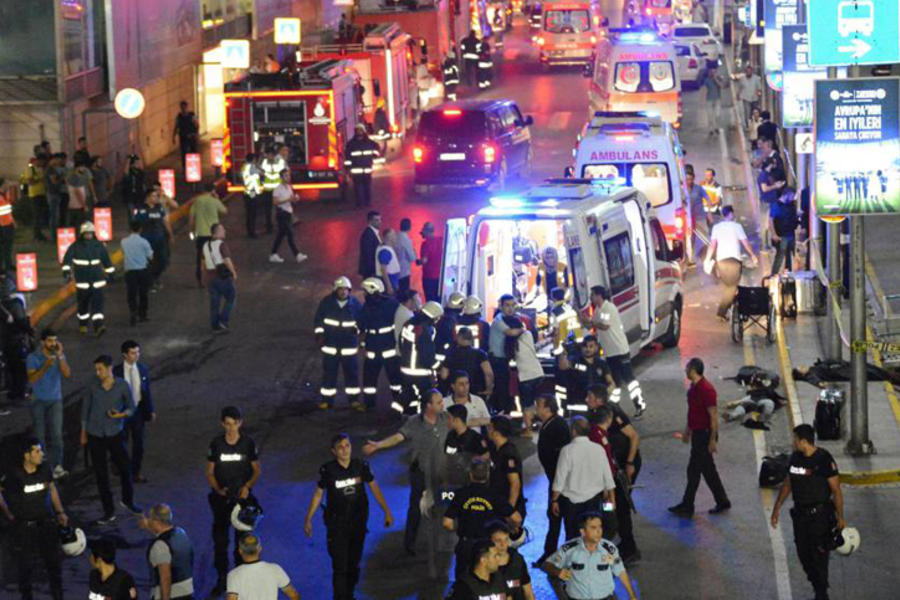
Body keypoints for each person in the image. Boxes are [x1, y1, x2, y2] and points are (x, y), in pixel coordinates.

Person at [364, 390, 448, 573]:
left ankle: (440, 543)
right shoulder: (414, 423)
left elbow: (465, 423)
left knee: (441, 507)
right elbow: (397, 437)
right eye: (439, 402)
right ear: (428, 406)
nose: (443, 404)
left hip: (439, 474)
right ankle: (409, 544)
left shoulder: (445, 419)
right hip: (420, 472)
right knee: (416, 509)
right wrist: (378, 445)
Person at [305, 433, 393, 600]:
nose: (345, 450)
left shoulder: (360, 466)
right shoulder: (328, 470)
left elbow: (374, 488)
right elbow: (318, 494)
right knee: (340, 566)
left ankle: (349, 595)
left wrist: (387, 511)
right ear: (334, 451)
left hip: (358, 524)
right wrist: (308, 518)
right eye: (340, 447)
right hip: (337, 525)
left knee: (353, 565)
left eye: (347, 446)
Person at [771, 424, 844, 600]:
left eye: (795, 439)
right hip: (800, 516)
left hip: (819, 517)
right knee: (803, 555)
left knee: (819, 555)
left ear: (803, 441)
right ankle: (818, 585)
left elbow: (836, 490)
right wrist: (777, 508)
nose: (793, 442)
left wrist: (840, 517)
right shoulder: (795, 458)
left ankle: (821, 593)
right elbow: (788, 483)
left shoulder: (824, 459)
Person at [0, 436, 68, 600]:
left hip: (46, 525)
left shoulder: (45, 469)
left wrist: (60, 512)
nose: (41, 454)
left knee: (54, 566)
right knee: (26, 568)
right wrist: (8, 513)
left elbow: (52, 489)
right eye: (37, 451)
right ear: (27, 455)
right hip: (25, 528)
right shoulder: (15, 475)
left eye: (41, 450)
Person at [206, 406, 262, 596]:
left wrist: (247, 487)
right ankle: (222, 579)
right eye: (227, 424)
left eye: (234, 424)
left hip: (242, 501)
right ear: (223, 424)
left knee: (243, 543)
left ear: (240, 423)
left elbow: (256, 470)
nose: (231, 428)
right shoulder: (216, 444)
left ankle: (240, 580)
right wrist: (218, 489)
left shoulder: (248, 444)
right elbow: (210, 472)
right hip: (222, 500)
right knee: (220, 542)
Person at [81, 354, 142, 523]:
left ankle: (127, 500)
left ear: (109, 368)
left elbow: (131, 407)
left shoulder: (122, 386)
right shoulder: (92, 385)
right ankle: (109, 511)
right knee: (101, 474)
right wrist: (83, 432)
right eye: (96, 369)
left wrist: (121, 415)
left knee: (125, 468)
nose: (97, 372)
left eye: (100, 369)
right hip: (96, 435)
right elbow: (85, 408)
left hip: (115, 433)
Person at [669, 357, 731, 517]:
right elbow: (693, 413)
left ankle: (692, 504)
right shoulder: (693, 388)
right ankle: (700, 502)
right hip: (697, 435)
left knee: (700, 471)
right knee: (699, 471)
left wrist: (712, 439)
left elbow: (713, 416)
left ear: (694, 370)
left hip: (704, 436)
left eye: (688, 367)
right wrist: (687, 431)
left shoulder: (706, 390)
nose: (685, 370)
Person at [443, 460, 517, 580]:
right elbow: (516, 518)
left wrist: (460, 528)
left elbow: (447, 523)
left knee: (463, 583)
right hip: (488, 548)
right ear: (487, 475)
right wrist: (510, 529)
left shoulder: (461, 494)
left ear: (471, 474)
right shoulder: (494, 495)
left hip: (465, 545)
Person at [543, 512, 639, 600]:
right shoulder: (569, 549)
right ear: (583, 531)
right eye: (593, 528)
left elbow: (620, 571)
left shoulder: (609, 549)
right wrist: (558, 571)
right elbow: (546, 565)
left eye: (600, 527)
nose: (599, 531)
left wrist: (632, 596)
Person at [552, 416, 616, 540]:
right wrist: (612, 500)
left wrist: (554, 500)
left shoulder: (567, 451)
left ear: (573, 431)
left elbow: (560, 479)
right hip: (594, 502)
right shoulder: (598, 449)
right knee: (592, 536)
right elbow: (608, 478)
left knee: (572, 537)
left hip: (571, 504)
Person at [588, 286, 645, 417]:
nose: (591, 297)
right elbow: (595, 325)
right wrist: (585, 320)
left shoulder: (608, 308)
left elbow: (604, 325)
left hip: (620, 350)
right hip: (610, 352)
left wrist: (591, 323)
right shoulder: (597, 310)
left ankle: (639, 405)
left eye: (592, 295)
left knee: (629, 380)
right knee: (614, 382)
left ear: (599, 296)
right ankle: (614, 409)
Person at [26, 329, 71, 479]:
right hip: (38, 401)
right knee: (40, 435)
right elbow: (32, 379)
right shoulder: (33, 358)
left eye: (55, 340)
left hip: (55, 400)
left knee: (57, 435)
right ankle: (43, 466)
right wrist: (46, 366)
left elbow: (67, 374)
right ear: (42, 342)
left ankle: (57, 466)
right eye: (50, 341)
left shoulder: (58, 357)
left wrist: (61, 356)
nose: (53, 344)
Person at [314, 276, 363, 409]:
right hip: (331, 346)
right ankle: (326, 401)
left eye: (346, 289)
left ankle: (354, 400)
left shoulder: (355, 304)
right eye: (341, 289)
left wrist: (358, 332)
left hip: (348, 347)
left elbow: (362, 321)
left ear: (349, 290)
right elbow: (318, 320)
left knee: (351, 375)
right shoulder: (326, 303)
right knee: (329, 375)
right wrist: (319, 335)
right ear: (336, 290)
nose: (343, 292)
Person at [534, 395, 571, 566]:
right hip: (555, 480)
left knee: (562, 518)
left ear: (548, 408)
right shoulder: (550, 424)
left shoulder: (558, 426)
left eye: (538, 405)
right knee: (554, 518)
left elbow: (563, 456)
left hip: (561, 483)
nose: (536, 408)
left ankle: (568, 558)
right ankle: (549, 554)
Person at [114, 340, 155, 483]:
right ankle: (122, 468)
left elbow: (147, 391)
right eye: (133, 353)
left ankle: (136, 472)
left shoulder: (142, 369)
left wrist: (151, 410)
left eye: (138, 352)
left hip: (137, 411)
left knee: (139, 444)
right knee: (121, 442)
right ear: (125, 355)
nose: (136, 355)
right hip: (122, 412)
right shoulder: (116, 372)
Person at [705, 206, 757, 320]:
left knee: (728, 287)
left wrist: (707, 259)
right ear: (730, 214)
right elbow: (745, 242)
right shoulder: (737, 226)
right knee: (732, 288)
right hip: (734, 260)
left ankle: (730, 311)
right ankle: (721, 312)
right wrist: (752, 255)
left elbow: (712, 245)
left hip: (721, 261)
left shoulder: (716, 227)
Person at [62, 220, 113, 335]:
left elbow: (106, 261)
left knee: (98, 306)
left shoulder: (99, 246)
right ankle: (83, 324)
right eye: (86, 233)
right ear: (82, 234)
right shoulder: (75, 246)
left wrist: (110, 273)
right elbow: (67, 260)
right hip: (83, 283)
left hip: (97, 282)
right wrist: (66, 272)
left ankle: (98, 326)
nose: (88, 235)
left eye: (90, 233)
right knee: (83, 306)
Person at [359, 277, 403, 411]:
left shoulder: (368, 306)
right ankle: (398, 404)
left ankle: (369, 404)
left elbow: (361, 325)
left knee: (370, 381)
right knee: (394, 381)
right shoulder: (392, 303)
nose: (364, 294)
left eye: (365, 291)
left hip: (375, 349)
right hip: (388, 349)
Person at [140, 503, 195, 600]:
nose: (149, 521)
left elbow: (165, 578)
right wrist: (149, 526)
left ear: (156, 521)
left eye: (150, 519)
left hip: (172, 595)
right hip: (187, 591)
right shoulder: (181, 533)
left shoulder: (160, 546)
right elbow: (164, 534)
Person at [398, 301, 443, 414]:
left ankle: (405, 417)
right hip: (420, 372)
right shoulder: (425, 329)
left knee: (408, 395)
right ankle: (420, 421)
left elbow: (401, 343)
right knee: (424, 399)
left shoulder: (409, 324)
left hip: (405, 368)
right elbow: (427, 353)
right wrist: (439, 368)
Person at [226, 533, 300, 600]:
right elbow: (293, 595)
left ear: (240, 551)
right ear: (259, 549)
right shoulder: (275, 569)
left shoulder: (233, 575)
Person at [502, 313, 543, 434]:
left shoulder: (510, 344)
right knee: (535, 403)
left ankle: (528, 431)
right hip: (538, 374)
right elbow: (526, 330)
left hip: (525, 377)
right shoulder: (528, 335)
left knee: (526, 405)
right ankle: (539, 424)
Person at [488, 416, 526, 538]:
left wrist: (509, 511)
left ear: (496, 433)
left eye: (490, 428)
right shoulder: (496, 449)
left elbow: (515, 484)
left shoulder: (509, 453)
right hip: (499, 504)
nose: (487, 430)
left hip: (508, 508)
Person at [556, 334, 615, 413]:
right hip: (579, 404)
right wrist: (563, 353)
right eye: (585, 346)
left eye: (591, 346)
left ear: (596, 347)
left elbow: (611, 382)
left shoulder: (601, 363)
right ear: (581, 347)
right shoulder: (575, 361)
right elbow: (563, 365)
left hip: (597, 404)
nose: (588, 349)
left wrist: (604, 394)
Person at [189, 183, 228, 286]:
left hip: (201, 233)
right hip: (214, 234)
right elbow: (224, 211)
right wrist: (217, 198)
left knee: (200, 257)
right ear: (213, 190)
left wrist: (191, 231)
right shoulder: (214, 201)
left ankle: (200, 279)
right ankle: (215, 277)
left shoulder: (197, 201)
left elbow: (191, 218)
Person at [488, 295, 520, 414]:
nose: (510, 308)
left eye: (512, 305)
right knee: (501, 389)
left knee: (506, 389)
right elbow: (511, 332)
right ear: (501, 306)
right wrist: (524, 330)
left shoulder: (509, 319)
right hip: (497, 360)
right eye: (507, 305)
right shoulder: (498, 320)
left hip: (504, 360)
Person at [135, 189, 172, 292]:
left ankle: (156, 277)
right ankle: (149, 283)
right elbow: (137, 225)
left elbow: (165, 221)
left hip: (160, 238)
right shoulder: (141, 209)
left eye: (157, 196)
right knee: (149, 262)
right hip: (147, 239)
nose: (156, 198)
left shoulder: (159, 208)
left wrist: (170, 234)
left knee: (163, 260)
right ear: (148, 197)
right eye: (154, 196)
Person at [440, 328, 494, 398]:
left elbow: (444, 375)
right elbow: (489, 373)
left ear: (458, 338)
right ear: (472, 338)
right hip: (477, 392)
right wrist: (488, 390)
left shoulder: (451, 354)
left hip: (457, 392)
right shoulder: (480, 354)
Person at [203, 223, 238, 332]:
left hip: (210, 277)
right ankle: (223, 321)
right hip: (222, 277)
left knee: (215, 302)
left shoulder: (205, 245)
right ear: (216, 232)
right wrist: (233, 272)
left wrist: (205, 278)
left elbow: (203, 262)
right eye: (222, 229)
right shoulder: (221, 244)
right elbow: (227, 260)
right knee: (231, 297)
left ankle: (215, 325)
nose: (224, 231)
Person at [488, 520, 535, 600]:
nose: (503, 545)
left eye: (506, 539)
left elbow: (528, 591)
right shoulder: (482, 563)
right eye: (498, 541)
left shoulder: (518, 560)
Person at [268, 169, 308, 264]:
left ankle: (273, 254)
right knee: (290, 234)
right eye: (286, 176)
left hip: (288, 213)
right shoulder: (278, 188)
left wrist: (295, 199)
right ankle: (297, 254)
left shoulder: (289, 187)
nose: (288, 177)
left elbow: (291, 199)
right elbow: (275, 202)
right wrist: (287, 199)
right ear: (281, 177)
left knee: (281, 235)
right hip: (281, 214)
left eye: (288, 175)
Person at [121, 220, 154, 325]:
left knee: (131, 293)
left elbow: (123, 253)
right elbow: (150, 256)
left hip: (129, 271)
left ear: (130, 229)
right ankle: (142, 314)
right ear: (140, 229)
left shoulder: (124, 242)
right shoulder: (144, 242)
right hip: (142, 270)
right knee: (143, 293)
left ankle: (133, 311)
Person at [345, 124, 380, 208]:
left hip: (358, 170)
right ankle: (365, 203)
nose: (359, 132)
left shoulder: (351, 144)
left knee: (360, 188)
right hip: (365, 169)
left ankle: (361, 204)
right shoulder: (370, 143)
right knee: (363, 187)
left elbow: (347, 158)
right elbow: (377, 152)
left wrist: (348, 169)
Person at [769, 186, 799, 276]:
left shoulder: (790, 205)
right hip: (781, 235)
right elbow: (770, 221)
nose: (793, 198)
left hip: (790, 234)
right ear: (787, 195)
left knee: (789, 256)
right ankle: (773, 275)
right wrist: (774, 234)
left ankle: (788, 274)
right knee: (781, 255)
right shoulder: (776, 205)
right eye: (792, 196)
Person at [19, 152, 48, 241]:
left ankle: (39, 233)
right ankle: (36, 234)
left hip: (42, 194)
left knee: (40, 215)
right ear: (38, 160)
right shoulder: (30, 169)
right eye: (43, 161)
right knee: (37, 215)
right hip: (34, 195)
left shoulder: (41, 169)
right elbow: (30, 182)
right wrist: (40, 179)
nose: (43, 164)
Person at [259, 147, 282, 235]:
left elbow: (280, 172)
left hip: (276, 190)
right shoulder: (264, 162)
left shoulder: (278, 163)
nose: (269, 157)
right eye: (268, 155)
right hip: (267, 190)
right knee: (267, 210)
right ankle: (269, 226)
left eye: (271, 155)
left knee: (279, 209)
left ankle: (279, 225)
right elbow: (261, 172)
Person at [418, 221, 443, 301]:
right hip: (440, 276)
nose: (422, 235)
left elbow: (424, 260)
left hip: (429, 277)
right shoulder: (441, 240)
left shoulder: (425, 244)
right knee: (438, 299)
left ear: (426, 231)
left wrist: (418, 262)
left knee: (430, 301)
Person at [65, 161, 94, 227]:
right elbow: (77, 192)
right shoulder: (74, 178)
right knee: (80, 220)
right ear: (77, 168)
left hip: (76, 202)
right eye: (82, 167)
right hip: (77, 203)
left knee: (76, 221)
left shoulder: (73, 177)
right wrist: (84, 205)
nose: (83, 169)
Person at [241, 153, 263, 238]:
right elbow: (262, 172)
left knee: (249, 213)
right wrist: (258, 165)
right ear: (253, 159)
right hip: (252, 193)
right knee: (252, 213)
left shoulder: (244, 166)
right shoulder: (251, 167)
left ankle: (250, 231)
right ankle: (252, 232)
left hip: (247, 192)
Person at [172, 100, 199, 170]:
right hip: (183, 136)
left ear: (187, 107)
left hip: (191, 136)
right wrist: (173, 136)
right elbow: (176, 126)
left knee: (193, 151)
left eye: (184, 107)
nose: (183, 109)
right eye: (182, 107)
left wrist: (196, 134)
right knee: (184, 152)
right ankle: (185, 168)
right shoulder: (179, 116)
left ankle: (194, 166)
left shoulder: (192, 115)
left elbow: (196, 125)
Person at [376, 228, 402, 293]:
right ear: (390, 238)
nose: (396, 237)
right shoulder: (385, 251)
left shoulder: (387, 249)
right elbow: (383, 269)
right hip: (390, 282)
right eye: (394, 235)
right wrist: (389, 286)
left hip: (393, 281)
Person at [122, 154, 146, 222]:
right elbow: (125, 172)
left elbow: (142, 168)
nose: (138, 164)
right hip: (130, 196)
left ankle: (140, 226)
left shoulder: (140, 172)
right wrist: (128, 160)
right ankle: (133, 227)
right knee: (132, 214)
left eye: (138, 163)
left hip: (139, 195)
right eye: (136, 163)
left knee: (140, 212)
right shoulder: (129, 172)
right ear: (131, 165)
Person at [358, 210, 382, 279]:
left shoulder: (372, 232)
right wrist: (374, 272)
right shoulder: (368, 235)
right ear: (370, 221)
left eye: (380, 219)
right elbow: (368, 255)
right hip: (370, 271)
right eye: (377, 220)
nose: (380, 222)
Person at [396, 217, 417, 291]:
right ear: (409, 227)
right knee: (404, 293)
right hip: (404, 271)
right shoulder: (406, 239)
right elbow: (412, 257)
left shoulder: (396, 236)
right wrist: (415, 253)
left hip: (396, 270)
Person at [700, 167, 724, 231]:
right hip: (704, 211)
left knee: (713, 229)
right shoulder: (702, 185)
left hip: (713, 212)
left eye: (709, 175)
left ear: (713, 176)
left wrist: (708, 204)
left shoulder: (717, 187)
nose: (706, 177)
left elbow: (717, 201)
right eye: (706, 175)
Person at [703, 64, 723, 136]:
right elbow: (704, 90)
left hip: (717, 99)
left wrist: (715, 79)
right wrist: (703, 99)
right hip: (709, 100)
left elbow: (721, 86)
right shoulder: (707, 80)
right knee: (710, 115)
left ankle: (716, 127)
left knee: (717, 115)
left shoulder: (718, 79)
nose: (713, 73)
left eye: (714, 72)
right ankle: (711, 129)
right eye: (711, 72)